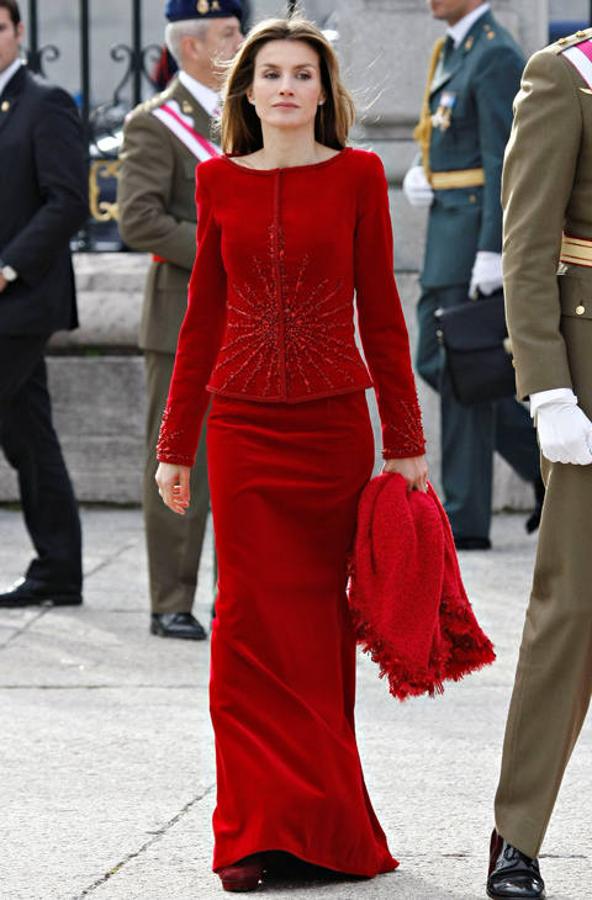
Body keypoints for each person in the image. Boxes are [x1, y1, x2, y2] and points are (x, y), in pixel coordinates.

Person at [155, 14, 428, 893]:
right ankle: (251, 835)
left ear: (323, 91)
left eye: (301, 74)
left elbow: (382, 315)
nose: (283, 87)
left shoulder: (356, 176)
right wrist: (176, 446)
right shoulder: (215, 181)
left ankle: (326, 833)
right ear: (245, 91)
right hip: (239, 435)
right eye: (268, 73)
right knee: (241, 629)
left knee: (316, 632)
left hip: (332, 435)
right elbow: (199, 323)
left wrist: (406, 442)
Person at [487, 26, 592, 900]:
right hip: (590, 371)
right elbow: (527, 245)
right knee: (573, 610)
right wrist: (547, 388)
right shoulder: (566, 75)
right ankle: (517, 833)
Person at [117, 0, 244, 641]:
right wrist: (227, 245)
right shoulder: (155, 123)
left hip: (251, 322)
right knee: (177, 461)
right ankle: (171, 598)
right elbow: (137, 218)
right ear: (192, 46)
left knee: (244, 468)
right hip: (181, 320)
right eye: (230, 32)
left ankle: (237, 596)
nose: (243, 40)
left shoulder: (252, 114)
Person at [403, 0, 543, 550]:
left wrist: (495, 249)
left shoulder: (495, 53)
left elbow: (505, 161)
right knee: (444, 364)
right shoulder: (456, 48)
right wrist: (424, 170)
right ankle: (543, 465)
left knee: (459, 369)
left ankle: (464, 516)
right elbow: (446, 134)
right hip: (448, 238)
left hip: (470, 245)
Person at [0, 0, 87, 609]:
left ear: (18, 33)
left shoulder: (44, 101)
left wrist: (8, 265)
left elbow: (67, 201)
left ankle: (58, 566)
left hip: (22, 298)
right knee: (28, 434)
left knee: (26, 432)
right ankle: (58, 568)